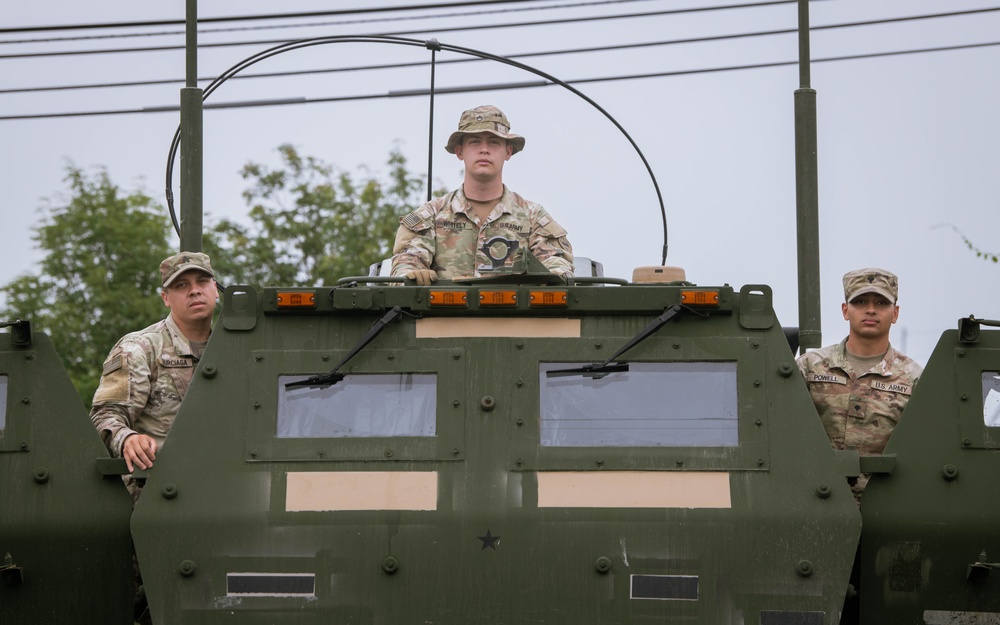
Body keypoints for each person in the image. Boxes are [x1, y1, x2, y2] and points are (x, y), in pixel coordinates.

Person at [390, 104, 574, 284]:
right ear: (459, 151)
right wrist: (413, 276)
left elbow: (556, 266)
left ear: (508, 151)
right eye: (475, 142)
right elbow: (406, 265)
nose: (484, 149)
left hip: (515, 314)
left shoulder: (533, 217)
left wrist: (554, 276)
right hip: (444, 313)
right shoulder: (431, 215)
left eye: (494, 142)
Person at [90, 251, 218, 502]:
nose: (194, 291)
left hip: (225, 490)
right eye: (181, 285)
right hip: (159, 495)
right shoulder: (140, 349)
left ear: (215, 289)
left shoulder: (232, 348)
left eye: (202, 281)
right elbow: (104, 417)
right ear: (166, 298)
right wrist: (127, 439)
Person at [796, 267, 923, 500]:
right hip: (814, 501)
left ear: (895, 313)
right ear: (846, 310)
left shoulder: (913, 377)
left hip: (886, 506)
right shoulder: (809, 367)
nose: (871, 310)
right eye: (861, 301)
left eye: (882, 303)